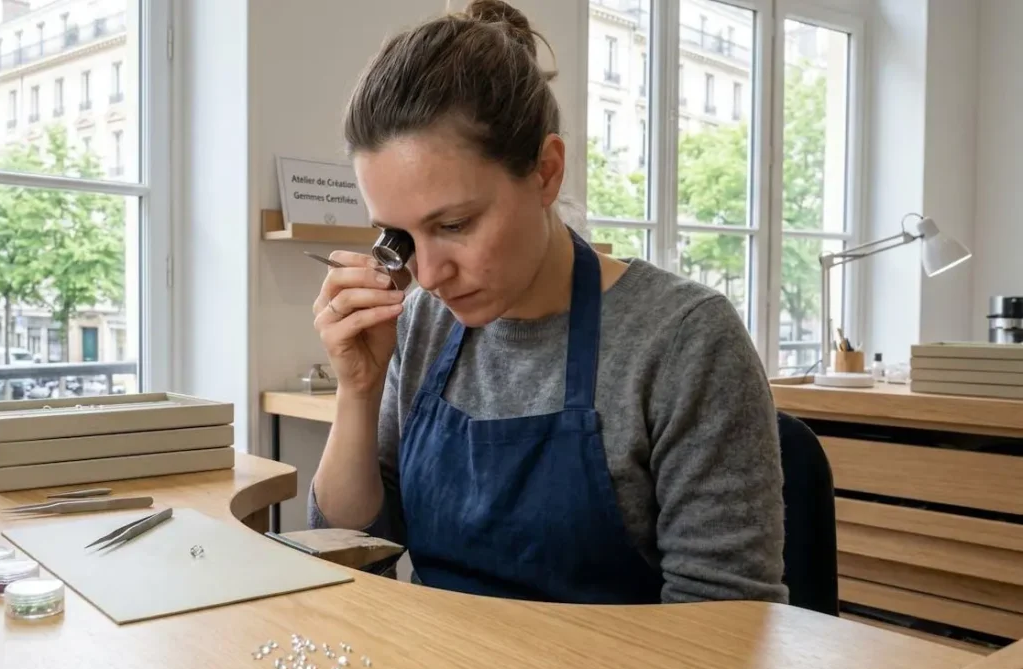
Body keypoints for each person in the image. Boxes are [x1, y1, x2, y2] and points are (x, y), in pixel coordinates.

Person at [306, 0, 788, 605]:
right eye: (400, 238)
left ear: (547, 173)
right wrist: (358, 390)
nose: (426, 275)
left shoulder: (683, 340)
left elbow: (728, 629)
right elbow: (352, 557)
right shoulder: (424, 321)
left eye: (454, 224)